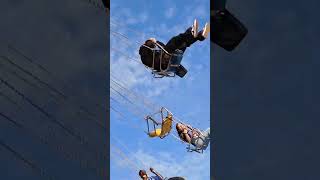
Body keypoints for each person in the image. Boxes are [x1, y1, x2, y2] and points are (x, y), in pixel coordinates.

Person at [139, 19, 210, 75]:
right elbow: (148, 48)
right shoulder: (144, 56)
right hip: (164, 61)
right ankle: (191, 31)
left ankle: (200, 36)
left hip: (169, 58)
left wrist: (156, 43)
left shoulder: (154, 54)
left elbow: (163, 47)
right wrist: (152, 41)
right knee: (174, 40)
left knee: (184, 43)